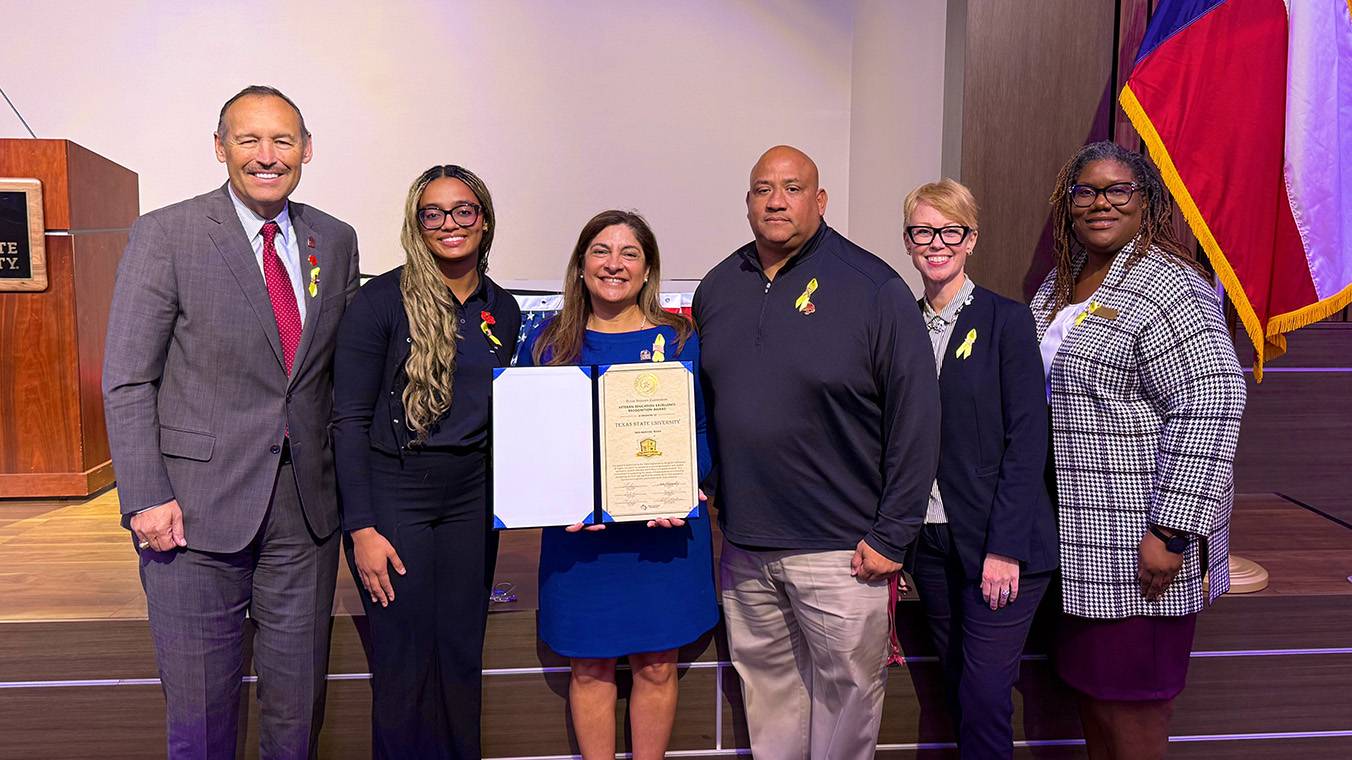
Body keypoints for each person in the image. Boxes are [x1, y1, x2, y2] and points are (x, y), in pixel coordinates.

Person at [103, 85, 360, 758]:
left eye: (283, 140)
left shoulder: (334, 239)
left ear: (307, 150)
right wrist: (145, 495)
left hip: (304, 510)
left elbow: (329, 375)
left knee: (296, 704)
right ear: (220, 149)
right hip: (191, 510)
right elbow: (129, 377)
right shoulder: (168, 233)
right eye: (249, 140)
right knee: (202, 712)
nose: (267, 155)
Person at [692, 145, 940, 759]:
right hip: (747, 551)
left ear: (820, 200)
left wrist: (893, 534)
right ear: (748, 201)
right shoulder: (719, 288)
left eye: (793, 187)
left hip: (844, 553)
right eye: (762, 189)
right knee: (769, 704)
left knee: (845, 711)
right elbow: (706, 406)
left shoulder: (872, 287)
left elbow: (918, 416)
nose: (777, 200)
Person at [1031, 141, 1247, 760]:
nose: (1100, 203)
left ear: (1146, 201)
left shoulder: (1170, 286)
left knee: (1136, 711)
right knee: (1096, 699)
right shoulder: (1060, 284)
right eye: (1086, 191)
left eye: (1117, 190)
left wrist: (1173, 531)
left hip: (1140, 547)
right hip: (1077, 542)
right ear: (1067, 204)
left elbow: (1213, 406)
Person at [331, 165, 519, 759]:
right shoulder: (380, 302)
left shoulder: (503, 309)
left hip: (471, 496)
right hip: (396, 493)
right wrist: (360, 528)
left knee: (462, 650)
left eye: (463, 210)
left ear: (483, 220)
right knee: (403, 656)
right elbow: (348, 421)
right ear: (417, 224)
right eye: (433, 213)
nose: (449, 224)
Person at [517, 209, 716, 760]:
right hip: (580, 539)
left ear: (648, 268)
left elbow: (699, 426)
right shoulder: (545, 342)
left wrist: (684, 484)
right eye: (601, 251)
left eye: (630, 253)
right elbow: (529, 439)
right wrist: (553, 496)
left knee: (657, 664)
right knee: (589, 665)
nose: (614, 264)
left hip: (662, 534)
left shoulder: (679, 340)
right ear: (580, 265)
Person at [901, 179, 1059, 758]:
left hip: (1001, 544)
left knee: (987, 691)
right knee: (955, 686)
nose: (936, 243)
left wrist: (1005, 549)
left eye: (950, 231)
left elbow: (1027, 441)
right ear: (909, 241)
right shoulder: (901, 324)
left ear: (971, 239)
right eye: (923, 231)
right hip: (932, 541)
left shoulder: (1007, 321)